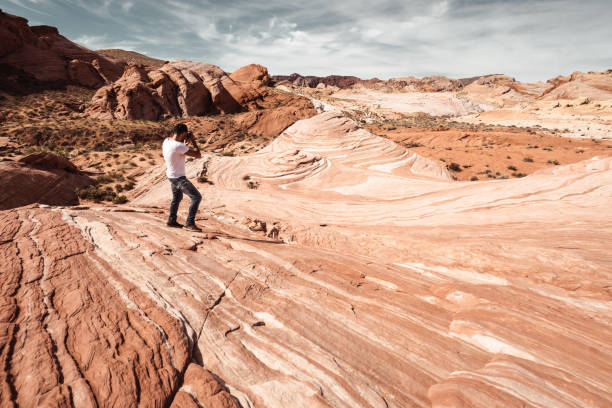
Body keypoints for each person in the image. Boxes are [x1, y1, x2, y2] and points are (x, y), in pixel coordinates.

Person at [162, 123, 203, 232]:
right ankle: (189, 224)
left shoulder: (166, 141)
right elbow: (198, 155)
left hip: (171, 175)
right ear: (183, 133)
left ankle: (171, 221)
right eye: (185, 134)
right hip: (178, 177)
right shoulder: (179, 146)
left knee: (177, 198)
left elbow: (178, 148)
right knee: (196, 197)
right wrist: (193, 141)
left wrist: (185, 143)